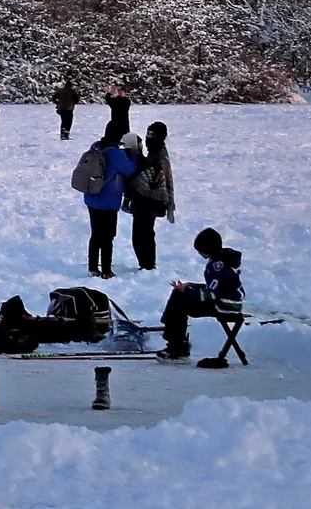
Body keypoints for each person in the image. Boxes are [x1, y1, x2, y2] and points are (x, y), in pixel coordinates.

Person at [158, 228, 245, 361]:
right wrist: (192, 285)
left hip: (225, 305)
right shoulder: (222, 259)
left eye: (200, 249)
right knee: (179, 296)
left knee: (179, 301)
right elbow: (219, 287)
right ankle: (175, 339)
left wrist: (187, 291)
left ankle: (176, 346)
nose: (198, 252)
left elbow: (212, 294)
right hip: (229, 301)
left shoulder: (217, 265)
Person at [84, 130, 140, 277]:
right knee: (108, 236)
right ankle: (107, 270)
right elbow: (130, 170)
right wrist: (134, 154)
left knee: (96, 234)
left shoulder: (96, 147)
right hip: (108, 201)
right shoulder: (116, 154)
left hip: (92, 196)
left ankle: (93, 267)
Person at [124, 120, 176, 270]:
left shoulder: (159, 155)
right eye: (147, 134)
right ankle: (147, 264)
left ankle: (146, 264)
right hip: (145, 202)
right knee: (144, 233)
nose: (148, 137)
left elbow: (155, 179)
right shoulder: (155, 153)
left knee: (142, 234)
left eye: (152, 135)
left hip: (148, 202)